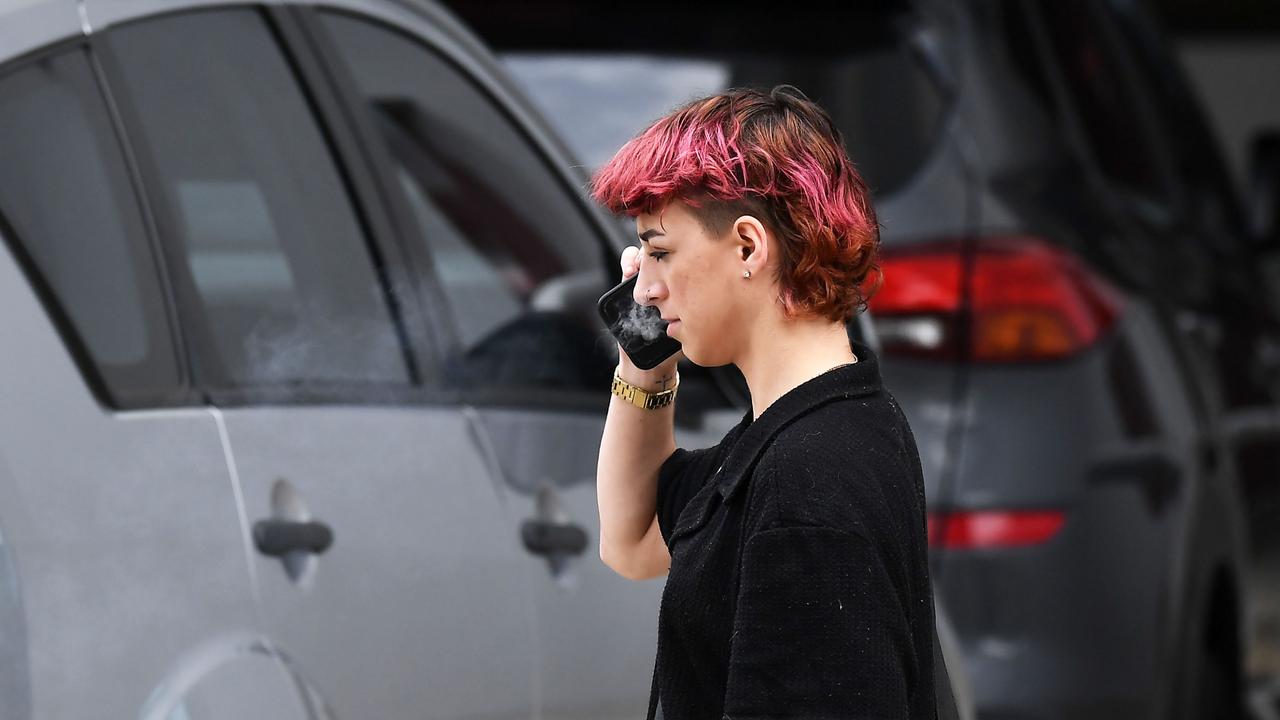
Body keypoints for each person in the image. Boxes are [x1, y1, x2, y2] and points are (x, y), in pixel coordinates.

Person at [593, 85, 939, 719]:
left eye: (661, 252)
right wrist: (643, 362)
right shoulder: (810, 430)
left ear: (749, 247)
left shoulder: (810, 478)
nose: (644, 287)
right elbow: (632, 538)